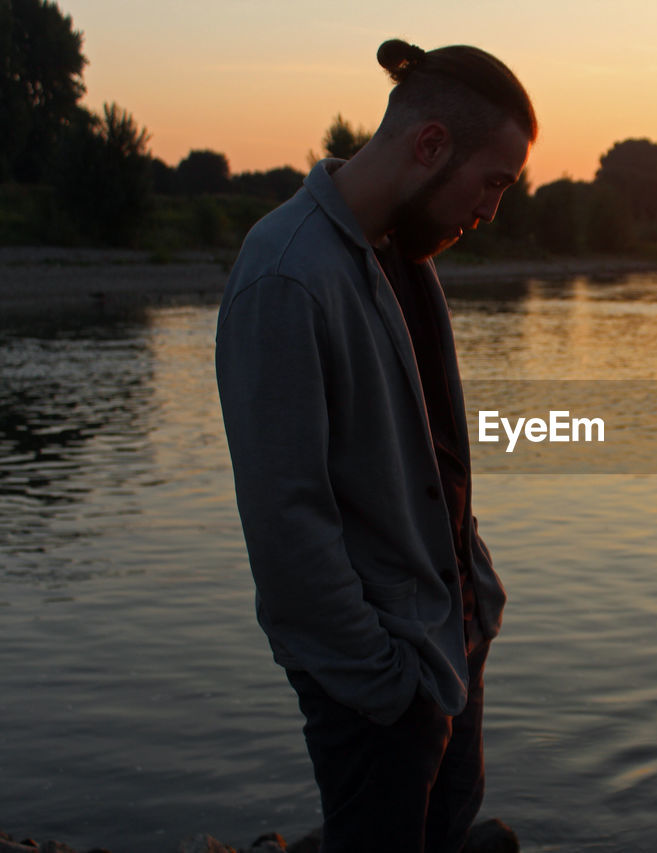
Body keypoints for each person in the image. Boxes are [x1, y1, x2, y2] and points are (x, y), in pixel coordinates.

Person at [215, 38, 535, 853]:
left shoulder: (402, 260)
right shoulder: (286, 274)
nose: (491, 210)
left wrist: (476, 601)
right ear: (431, 145)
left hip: (447, 643)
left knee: (448, 831)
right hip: (381, 677)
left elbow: (432, 463)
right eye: (492, 182)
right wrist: (385, 682)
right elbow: (288, 525)